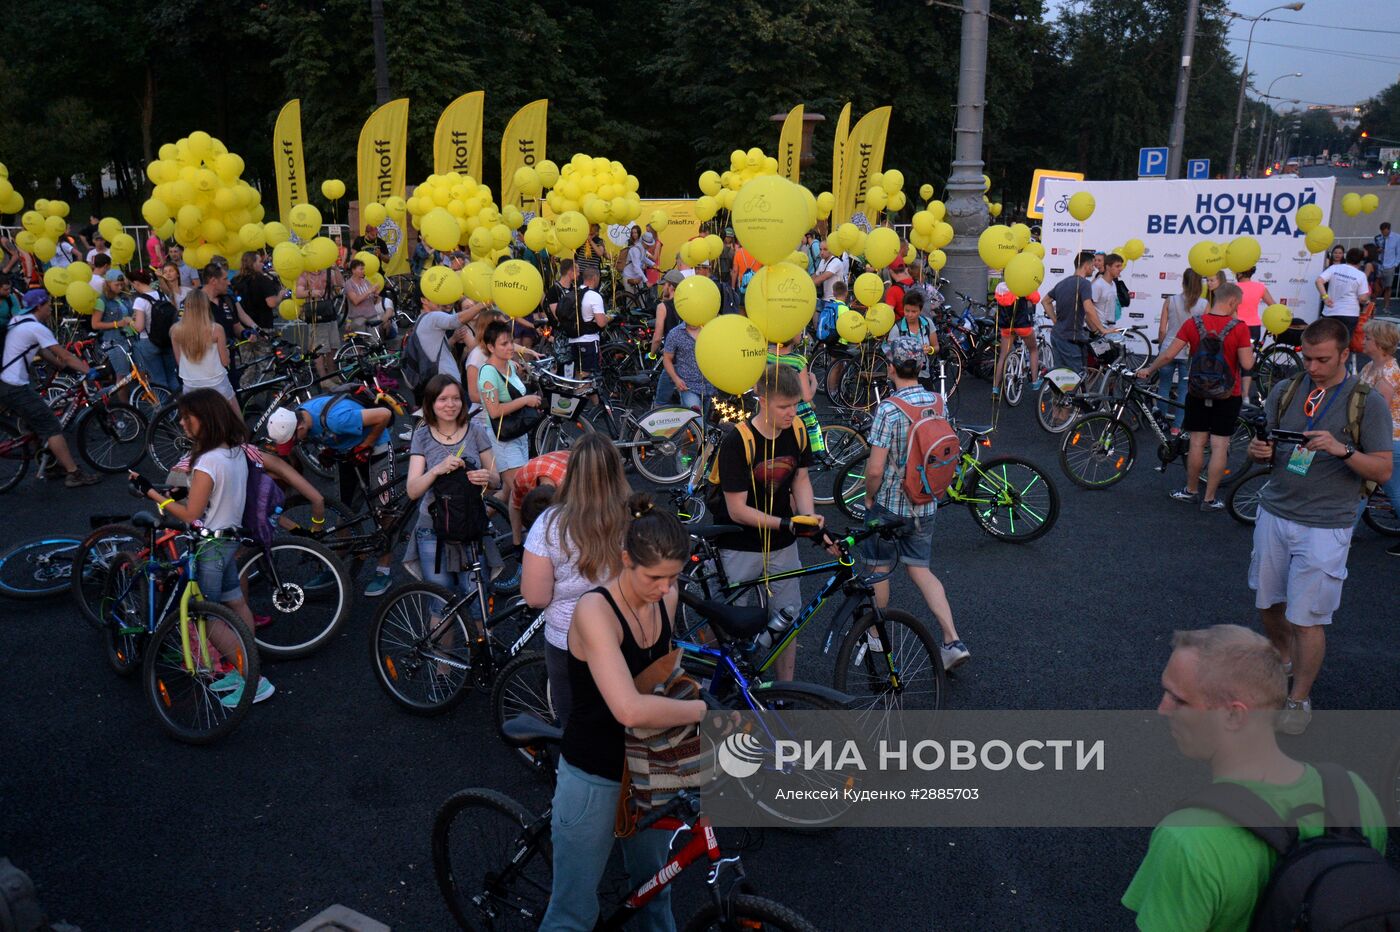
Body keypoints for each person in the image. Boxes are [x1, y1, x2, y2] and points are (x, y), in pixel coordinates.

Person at [1122, 624, 1386, 930]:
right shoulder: (1354, 793)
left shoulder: (1188, 839)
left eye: (1178, 700)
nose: (1162, 710)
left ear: (1234, 715)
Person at [539, 493, 704, 932]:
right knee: (572, 914)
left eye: (673, 577)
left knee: (655, 891)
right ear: (626, 559)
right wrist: (702, 709)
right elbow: (628, 708)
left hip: (647, 766)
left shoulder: (666, 598)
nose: (665, 589)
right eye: (655, 577)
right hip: (595, 773)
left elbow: (658, 675)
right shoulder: (595, 610)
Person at [1246, 317, 1393, 734]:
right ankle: (1283, 662)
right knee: (1268, 605)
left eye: (1322, 360)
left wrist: (1342, 450)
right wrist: (1258, 451)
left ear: (1346, 354)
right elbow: (1266, 449)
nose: (1312, 367)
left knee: (1307, 618)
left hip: (1326, 524)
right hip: (1275, 512)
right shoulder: (1286, 389)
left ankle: (1298, 698)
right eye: (1307, 358)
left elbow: (1383, 470)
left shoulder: (1367, 402)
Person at [130, 388, 275, 706]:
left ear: (205, 419)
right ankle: (247, 668)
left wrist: (151, 493)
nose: (182, 423)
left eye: (187, 417)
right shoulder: (233, 451)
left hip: (210, 545)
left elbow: (189, 514)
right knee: (236, 604)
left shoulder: (207, 461)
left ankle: (253, 680)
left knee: (205, 616)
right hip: (230, 539)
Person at [713, 364, 830, 683]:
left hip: (782, 543)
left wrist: (808, 519)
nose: (792, 413)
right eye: (783, 407)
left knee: (788, 618)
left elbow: (801, 480)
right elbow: (737, 510)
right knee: (731, 622)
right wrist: (787, 524)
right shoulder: (738, 441)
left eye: (795, 404)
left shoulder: (798, 430)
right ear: (762, 401)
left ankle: (784, 691)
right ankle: (720, 684)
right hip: (739, 544)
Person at [861, 335, 970, 670]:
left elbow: (875, 469)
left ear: (891, 368)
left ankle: (876, 638)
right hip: (925, 501)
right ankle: (952, 639)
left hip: (890, 506)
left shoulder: (888, 409)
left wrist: (869, 496)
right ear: (921, 366)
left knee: (878, 568)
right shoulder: (937, 402)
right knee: (920, 569)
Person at [522, 434, 629, 729]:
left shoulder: (549, 524)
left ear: (572, 472)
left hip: (567, 639)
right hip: (623, 633)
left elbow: (535, 597)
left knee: (575, 725)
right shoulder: (634, 518)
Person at [267, 389, 399, 595]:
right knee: (344, 512)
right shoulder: (297, 417)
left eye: (294, 441)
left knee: (384, 510)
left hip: (376, 447)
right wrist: (328, 450)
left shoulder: (337, 419)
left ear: (300, 427)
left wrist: (366, 445)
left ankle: (384, 570)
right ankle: (335, 566)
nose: (295, 445)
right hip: (348, 451)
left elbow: (385, 414)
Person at [1135, 282, 1254, 511]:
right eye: (1237, 304)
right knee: (1219, 446)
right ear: (1232, 302)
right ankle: (1210, 499)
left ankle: (1191, 491)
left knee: (1197, 443)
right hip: (1228, 394)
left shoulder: (1194, 323)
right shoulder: (1239, 328)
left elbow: (1169, 354)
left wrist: (1149, 369)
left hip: (1198, 392)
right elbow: (1247, 364)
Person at [405, 374, 499, 592]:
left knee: (476, 596)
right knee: (441, 599)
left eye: (456, 398)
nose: (450, 404)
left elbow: (497, 481)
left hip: (471, 524)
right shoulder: (422, 436)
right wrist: (436, 469)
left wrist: (487, 477)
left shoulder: (475, 432)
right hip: (432, 528)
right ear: (430, 403)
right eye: (443, 399)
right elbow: (413, 491)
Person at [0, 290, 100, 487]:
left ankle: (50, 464)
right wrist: (88, 370)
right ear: (39, 306)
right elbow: (66, 355)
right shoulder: (36, 328)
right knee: (52, 426)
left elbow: (40, 350)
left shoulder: (18, 321)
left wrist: (61, 367)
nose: (50, 308)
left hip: (5, 383)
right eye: (47, 305)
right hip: (15, 387)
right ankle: (73, 473)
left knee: (36, 421)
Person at [478, 320, 542, 505]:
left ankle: (483, 519)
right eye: (504, 344)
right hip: (503, 439)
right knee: (523, 492)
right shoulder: (489, 373)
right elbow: (494, 411)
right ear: (491, 347)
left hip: (517, 433)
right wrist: (525, 400)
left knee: (510, 493)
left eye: (511, 342)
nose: (510, 347)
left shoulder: (509, 365)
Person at [1357, 319, 1400, 557]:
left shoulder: (1388, 373)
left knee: (1393, 491)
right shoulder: (1370, 367)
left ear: (1381, 343)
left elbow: (1378, 411)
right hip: (1380, 436)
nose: (1363, 341)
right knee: (1362, 486)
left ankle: (1342, 534)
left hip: (1389, 439)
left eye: (1368, 338)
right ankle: (1343, 534)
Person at [1154, 269, 1208, 431]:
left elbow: (1162, 330)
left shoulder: (1170, 300)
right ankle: (1177, 427)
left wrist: (1162, 346)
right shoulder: (1204, 304)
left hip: (1168, 349)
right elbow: (1204, 332)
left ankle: (1160, 424)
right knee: (1184, 390)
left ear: (1183, 282)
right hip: (1189, 352)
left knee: (1164, 386)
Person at [1042, 250, 1109, 373]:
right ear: (1086, 265)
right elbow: (1088, 308)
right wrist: (1102, 329)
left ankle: (1049, 382)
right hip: (1070, 338)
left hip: (1057, 335)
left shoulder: (1062, 283)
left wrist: (1056, 321)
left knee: (1060, 375)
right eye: (1092, 266)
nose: (1094, 269)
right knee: (1075, 375)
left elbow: (1045, 301)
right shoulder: (1084, 284)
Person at [171, 290, 236, 405]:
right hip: (216, 382)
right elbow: (225, 362)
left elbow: (179, 361)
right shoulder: (216, 329)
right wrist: (227, 353)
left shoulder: (175, 331)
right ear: (206, 307)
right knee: (232, 412)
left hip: (190, 383)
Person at [768, 333, 824, 454]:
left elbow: (757, 389)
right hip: (794, 412)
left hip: (769, 410)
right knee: (797, 450)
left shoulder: (765, 355)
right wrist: (814, 382)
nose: (802, 334)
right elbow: (807, 396)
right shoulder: (798, 361)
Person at [127, 269, 179, 393]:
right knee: (172, 377)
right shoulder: (162, 295)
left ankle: (164, 405)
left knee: (158, 380)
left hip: (149, 342)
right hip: (167, 341)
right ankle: (178, 402)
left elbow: (139, 327)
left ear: (136, 283)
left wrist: (130, 321)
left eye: (132, 284)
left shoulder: (140, 301)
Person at [1315, 246, 1371, 353]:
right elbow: (1362, 298)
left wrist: (1325, 297)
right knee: (1343, 345)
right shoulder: (1361, 275)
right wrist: (1367, 300)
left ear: (1347, 257)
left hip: (1330, 311)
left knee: (1327, 342)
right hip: (1349, 314)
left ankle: (1326, 361)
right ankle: (1339, 362)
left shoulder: (1335, 268)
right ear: (1360, 262)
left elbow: (1318, 281)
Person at [509, 449, 569, 546]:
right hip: (542, 466)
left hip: (571, 463)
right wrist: (517, 543)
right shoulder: (522, 476)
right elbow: (515, 503)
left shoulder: (571, 490)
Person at [661, 309, 715, 412]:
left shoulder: (710, 331)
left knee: (705, 421)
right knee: (696, 420)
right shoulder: (675, 334)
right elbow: (667, 359)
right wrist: (676, 379)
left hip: (710, 387)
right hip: (688, 387)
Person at [296, 261, 344, 377]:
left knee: (333, 347)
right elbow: (298, 293)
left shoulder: (328, 272)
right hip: (315, 314)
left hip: (329, 312)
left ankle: (332, 375)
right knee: (319, 349)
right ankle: (323, 379)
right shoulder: (304, 274)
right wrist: (311, 292)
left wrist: (336, 269)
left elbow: (341, 285)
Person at [561, 266, 609, 376]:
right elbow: (601, 323)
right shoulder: (594, 296)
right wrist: (608, 318)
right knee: (587, 377)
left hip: (573, 340)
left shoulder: (573, 293)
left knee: (578, 374)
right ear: (595, 278)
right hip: (589, 341)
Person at [649, 271, 686, 403]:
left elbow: (657, 337)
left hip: (673, 360)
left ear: (671, 287)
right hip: (688, 359)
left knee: (660, 402)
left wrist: (652, 354)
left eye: (664, 285)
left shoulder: (663, 307)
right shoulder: (687, 305)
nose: (663, 288)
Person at [991, 290, 1036, 398]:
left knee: (1002, 357)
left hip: (1006, 327)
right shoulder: (1023, 287)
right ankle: (1035, 382)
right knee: (1033, 350)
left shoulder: (1001, 288)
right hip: (1022, 326)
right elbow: (1036, 298)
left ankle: (995, 389)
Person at [232, 252, 279, 331]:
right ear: (253, 264)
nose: (262, 264)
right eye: (260, 261)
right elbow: (272, 302)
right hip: (262, 325)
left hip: (241, 327)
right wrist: (281, 295)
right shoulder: (262, 280)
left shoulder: (235, 280)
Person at [343, 258, 385, 340]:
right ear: (353, 270)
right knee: (361, 342)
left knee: (375, 341)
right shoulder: (349, 284)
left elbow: (372, 300)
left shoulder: (366, 282)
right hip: (359, 319)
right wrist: (369, 291)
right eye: (361, 269)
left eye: (363, 269)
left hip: (372, 316)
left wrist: (375, 296)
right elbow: (355, 301)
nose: (363, 271)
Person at [1090, 252, 1124, 328]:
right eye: (1117, 266)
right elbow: (1088, 309)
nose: (1120, 269)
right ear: (1108, 267)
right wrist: (1096, 330)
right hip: (1099, 329)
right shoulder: (1098, 285)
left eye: (1121, 266)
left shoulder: (1113, 284)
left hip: (1109, 327)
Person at [1373, 221, 1399, 311]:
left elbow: (1398, 252)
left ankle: (1386, 307)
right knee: (1376, 287)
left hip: (1390, 266)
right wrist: (1377, 250)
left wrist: (1395, 264)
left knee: (1388, 287)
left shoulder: (1397, 238)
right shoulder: (1378, 238)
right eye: (1382, 232)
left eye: (1385, 232)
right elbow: (1373, 250)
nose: (1384, 234)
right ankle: (1372, 306)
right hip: (1379, 265)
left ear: (1389, 230)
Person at [812, 238, 847, 303]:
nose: (822, 252)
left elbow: (824, 276)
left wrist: (808, 285)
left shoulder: (836, 262)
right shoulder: (822, 261)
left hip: (834, 300)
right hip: (823, 298)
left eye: (825, 249)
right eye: (820, 249)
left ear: (831, 250)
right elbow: (816, 275)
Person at [622, 225, 653, 293]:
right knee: (631, 296)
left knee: (640, 296)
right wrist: (646, 281)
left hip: (637, 275)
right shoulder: (633, 247)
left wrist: (653, 264)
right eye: (633, 233)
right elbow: (636, 266)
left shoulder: (642, 246)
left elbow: (643, 257)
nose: (634, 234)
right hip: (629, 275)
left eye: (635, 232)